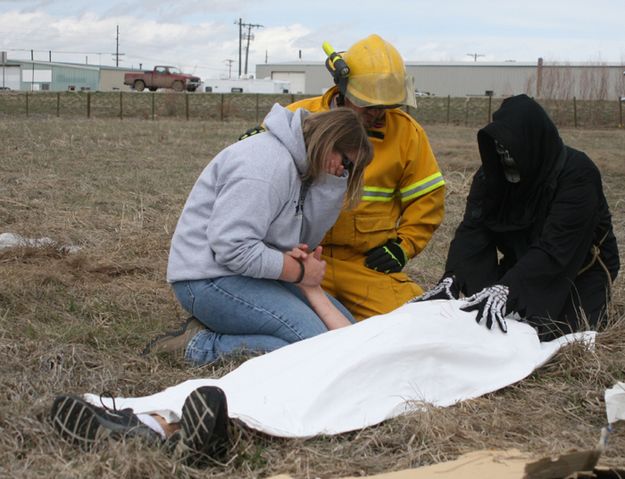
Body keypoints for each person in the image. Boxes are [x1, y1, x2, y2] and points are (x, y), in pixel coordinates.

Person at [50, 296, 593, 466]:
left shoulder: (513, 334)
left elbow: (484, 359)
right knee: (282, 367)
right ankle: (154, 418)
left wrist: (533, 341)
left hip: (421, 342)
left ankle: (177, 426)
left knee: (336, 377)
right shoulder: (445, 297)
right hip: (386, 329)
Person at [145, 103, 373, 365]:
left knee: (344, 331)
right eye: (345, 163)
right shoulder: (266, 165)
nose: (343, 172)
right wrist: (299, 272)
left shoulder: (305, 166)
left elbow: (306, 239)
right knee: (315, 345)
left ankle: (235, 331)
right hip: (207, 279)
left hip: (253, 273)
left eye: (349, 171)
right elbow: (232, 247)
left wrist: (330, 185)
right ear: (328, 140)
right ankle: (198, 346)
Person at [415, 94, 619, 340]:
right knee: (484, 327)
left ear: (531, 146)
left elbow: (557, 247)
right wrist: (453, 277)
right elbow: (473, 230)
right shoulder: (493, 175)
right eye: (501, 153)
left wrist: (507, 288)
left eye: (513, 154)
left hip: (578, 268)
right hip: (522, 263)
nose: (507, 161)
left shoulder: (578, 176)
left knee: (558, 339)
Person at [285, 34, 446, 320]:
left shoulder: (407, 134)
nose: (377, 113)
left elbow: (427, 199)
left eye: (385, 105)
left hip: (363, 265)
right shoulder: (298, 116)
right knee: (296, 326)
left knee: (418, 320)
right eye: (369, 104)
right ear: (343, 87)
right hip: (300, 257)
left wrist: (403, 246)